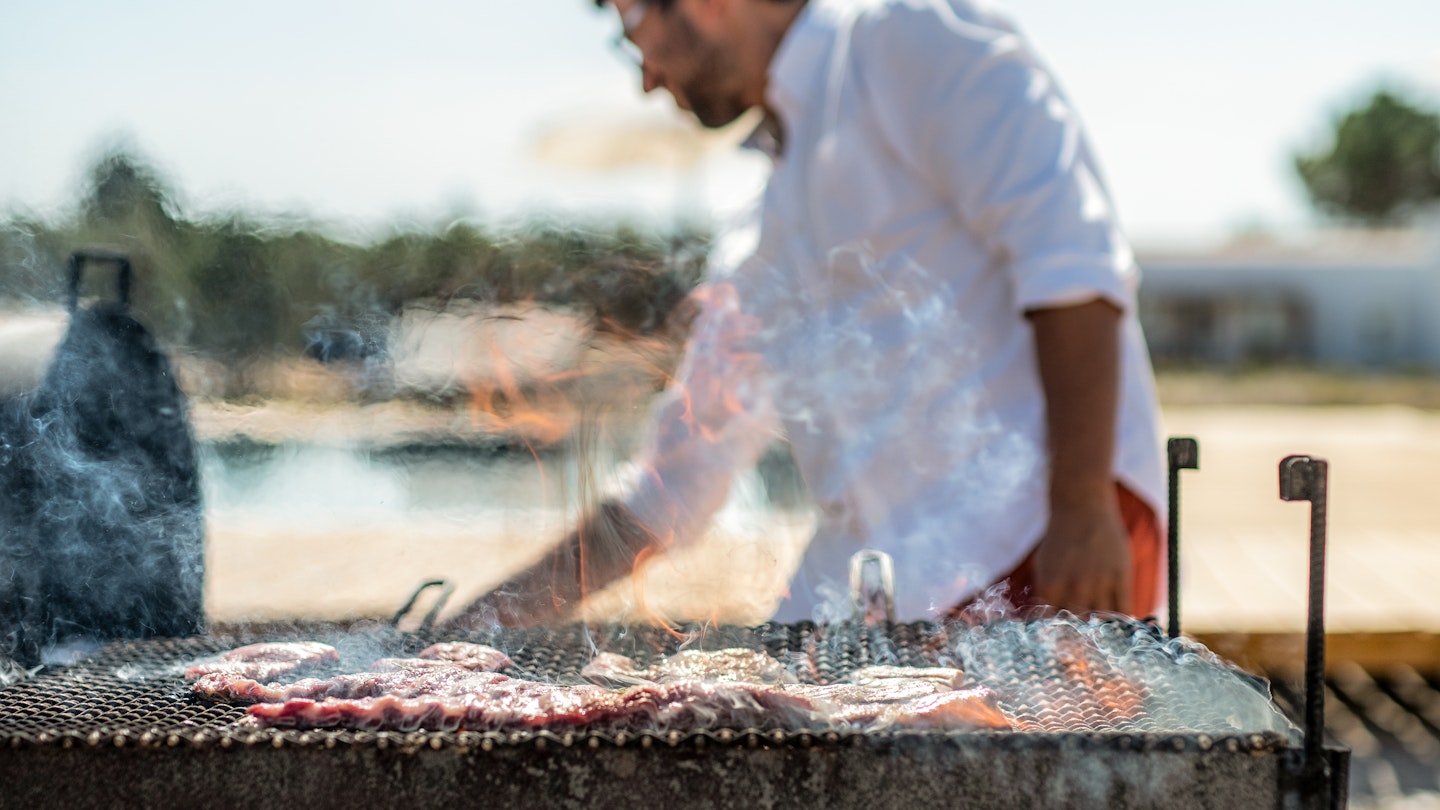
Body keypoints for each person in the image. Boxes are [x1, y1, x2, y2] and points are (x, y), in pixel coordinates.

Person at [453, 0, 1165, 627]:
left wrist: (1083, 508)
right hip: (881, 586)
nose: (643, 75)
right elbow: (670, 489)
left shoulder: (906, 39)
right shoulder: (757, 239)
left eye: (631, 25)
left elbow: (1073, 264)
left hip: (1038, 544)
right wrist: (476, 626)